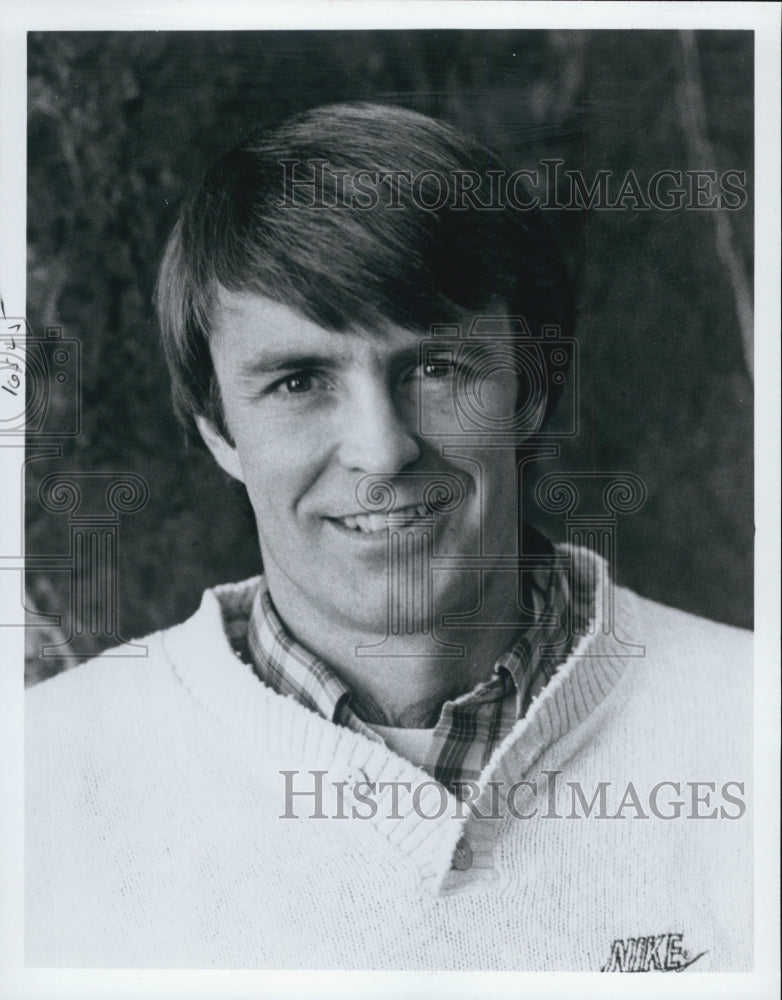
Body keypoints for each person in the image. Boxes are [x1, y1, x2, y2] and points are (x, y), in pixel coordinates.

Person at [26, 103, 752, 971]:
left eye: (436, 368)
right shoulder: (38, 780)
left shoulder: (754, 725)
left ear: (529, 389)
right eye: (299, 382)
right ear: (219, 432)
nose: (382, 451)